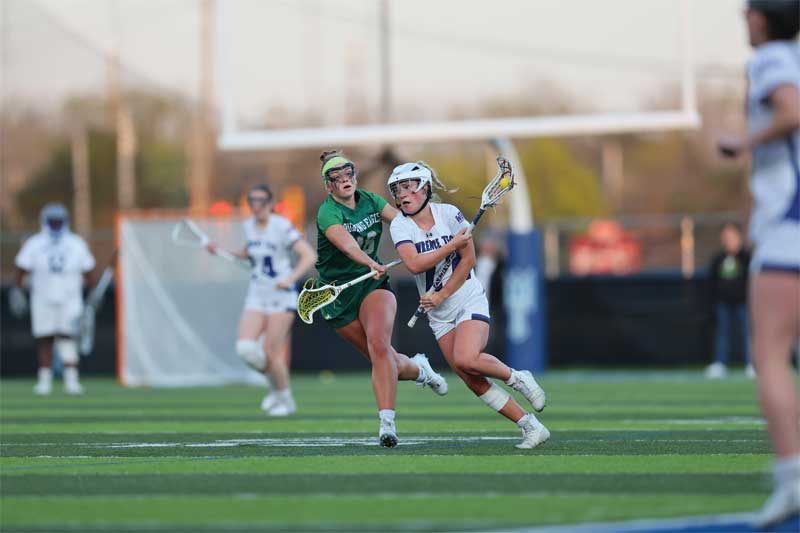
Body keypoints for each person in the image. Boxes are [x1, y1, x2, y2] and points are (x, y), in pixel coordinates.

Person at [387, 161, 550, 449]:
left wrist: (442, 293)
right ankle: (530, 426)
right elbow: (413, 264)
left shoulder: (449, 215)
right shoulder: (400, 224)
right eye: (397, 190)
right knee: (470, 378)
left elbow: (469, 260)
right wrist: (449, 249)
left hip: (466, 298)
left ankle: (517, 377)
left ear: (425, 188)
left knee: (466, 358)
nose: (402, 195)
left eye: (408, 187)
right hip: (439, 314)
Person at [718, 0, 800, 527]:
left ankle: (792, 478)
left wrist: (740, 142)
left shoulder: (771, 57)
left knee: (769, 352)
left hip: (791, 232)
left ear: (763, 18)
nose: (743, 20)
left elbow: (791, 111)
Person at [315, 150, 448, 448]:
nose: (344, 181)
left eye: (348, 174)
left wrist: (431, 225)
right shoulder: (328, 212)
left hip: (373, 286)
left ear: (354, 175)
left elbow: (404, 223)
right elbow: (346, 243)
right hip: (339, 296)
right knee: (384, 359)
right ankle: (421, 370)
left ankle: (387, 424)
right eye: (336, 178)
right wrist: (368, 262)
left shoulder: (371, 201)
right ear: (329, 186)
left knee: (378, 346)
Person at [207, 184, 316, 416]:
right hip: (257, 295)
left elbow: (309, 255)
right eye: (252, 201)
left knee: (269, 351)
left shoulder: (281, 226)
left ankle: (285, 399)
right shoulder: (249, 227)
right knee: (246, 348)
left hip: (281, 296)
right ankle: (277, 391)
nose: (256, 206)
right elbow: (249, 253)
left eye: (261, 201)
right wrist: (220, 250)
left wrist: (291, 278)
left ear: (270, 203)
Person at [10, 203, 95, 395]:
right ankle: (44, 381)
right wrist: (17, 291)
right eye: (52, 221)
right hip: (42, 297)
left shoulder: (76, 243)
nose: (55, 225)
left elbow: (88, 270)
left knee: (68, 338)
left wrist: (91, 292)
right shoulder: (35, 243)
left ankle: (71, 381)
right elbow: (21, 268)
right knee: (45, 338)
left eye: (59, 221)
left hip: (70, 298)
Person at [705, 222, 754, 379]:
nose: (728, 240)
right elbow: (711, 281)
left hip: (743, 302)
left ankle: (752, 364)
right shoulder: (718, 258)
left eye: (731, 236)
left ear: (739, 237)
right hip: (723, 303)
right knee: (722, 334)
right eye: (726, 237)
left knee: (747, 333)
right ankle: (720, 363)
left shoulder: (747, 257)